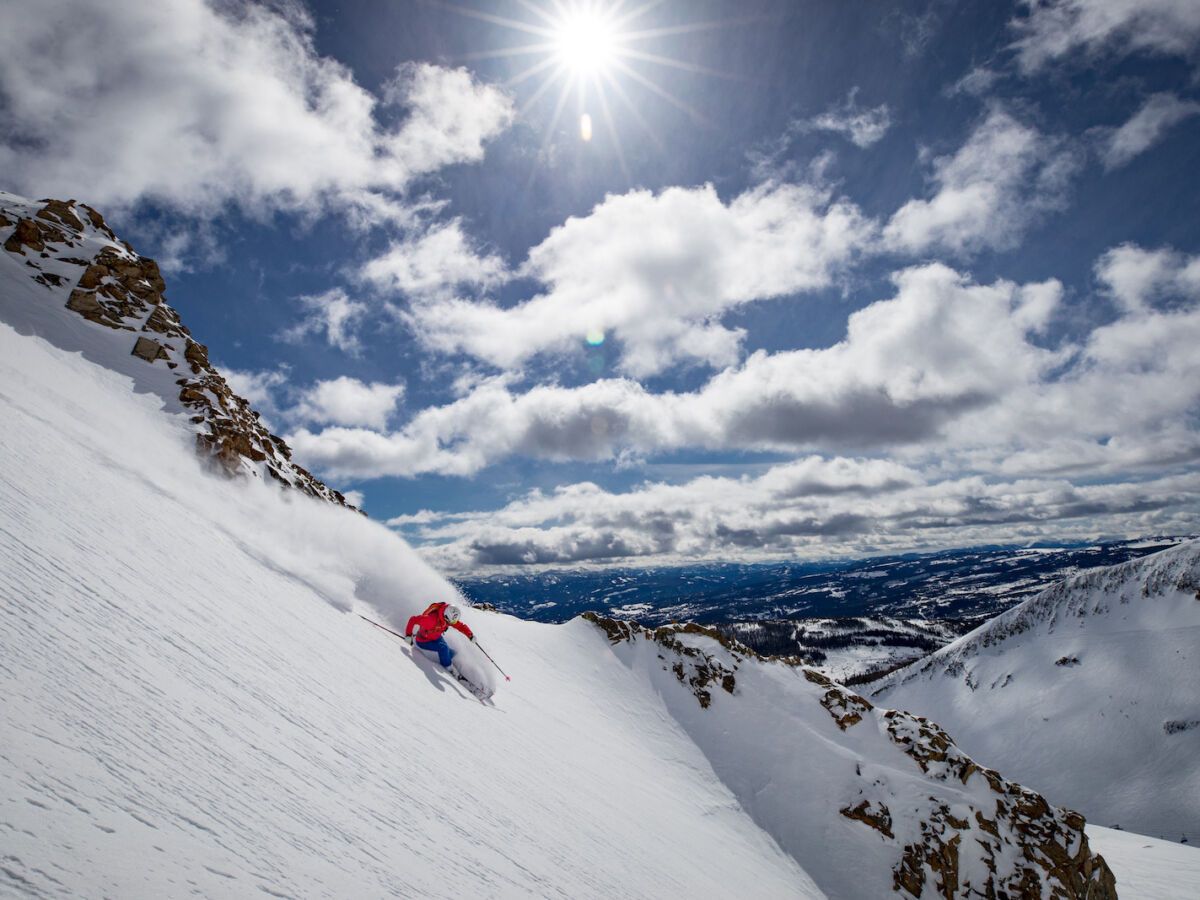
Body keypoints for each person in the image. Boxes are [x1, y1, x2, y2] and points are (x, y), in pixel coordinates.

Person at [405, 602, 474, 674]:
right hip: (423, 641)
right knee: (443, 648)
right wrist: (408, 635)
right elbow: (413, 619)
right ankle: (449, 668)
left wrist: (470, 635)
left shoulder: (448, 618)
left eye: (454, 621)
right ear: (446, 617)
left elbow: (460, 626)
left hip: (436, 637)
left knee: (452, 652)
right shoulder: (431, 620)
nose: (453, 623)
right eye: (452, 621)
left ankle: (450, 661)